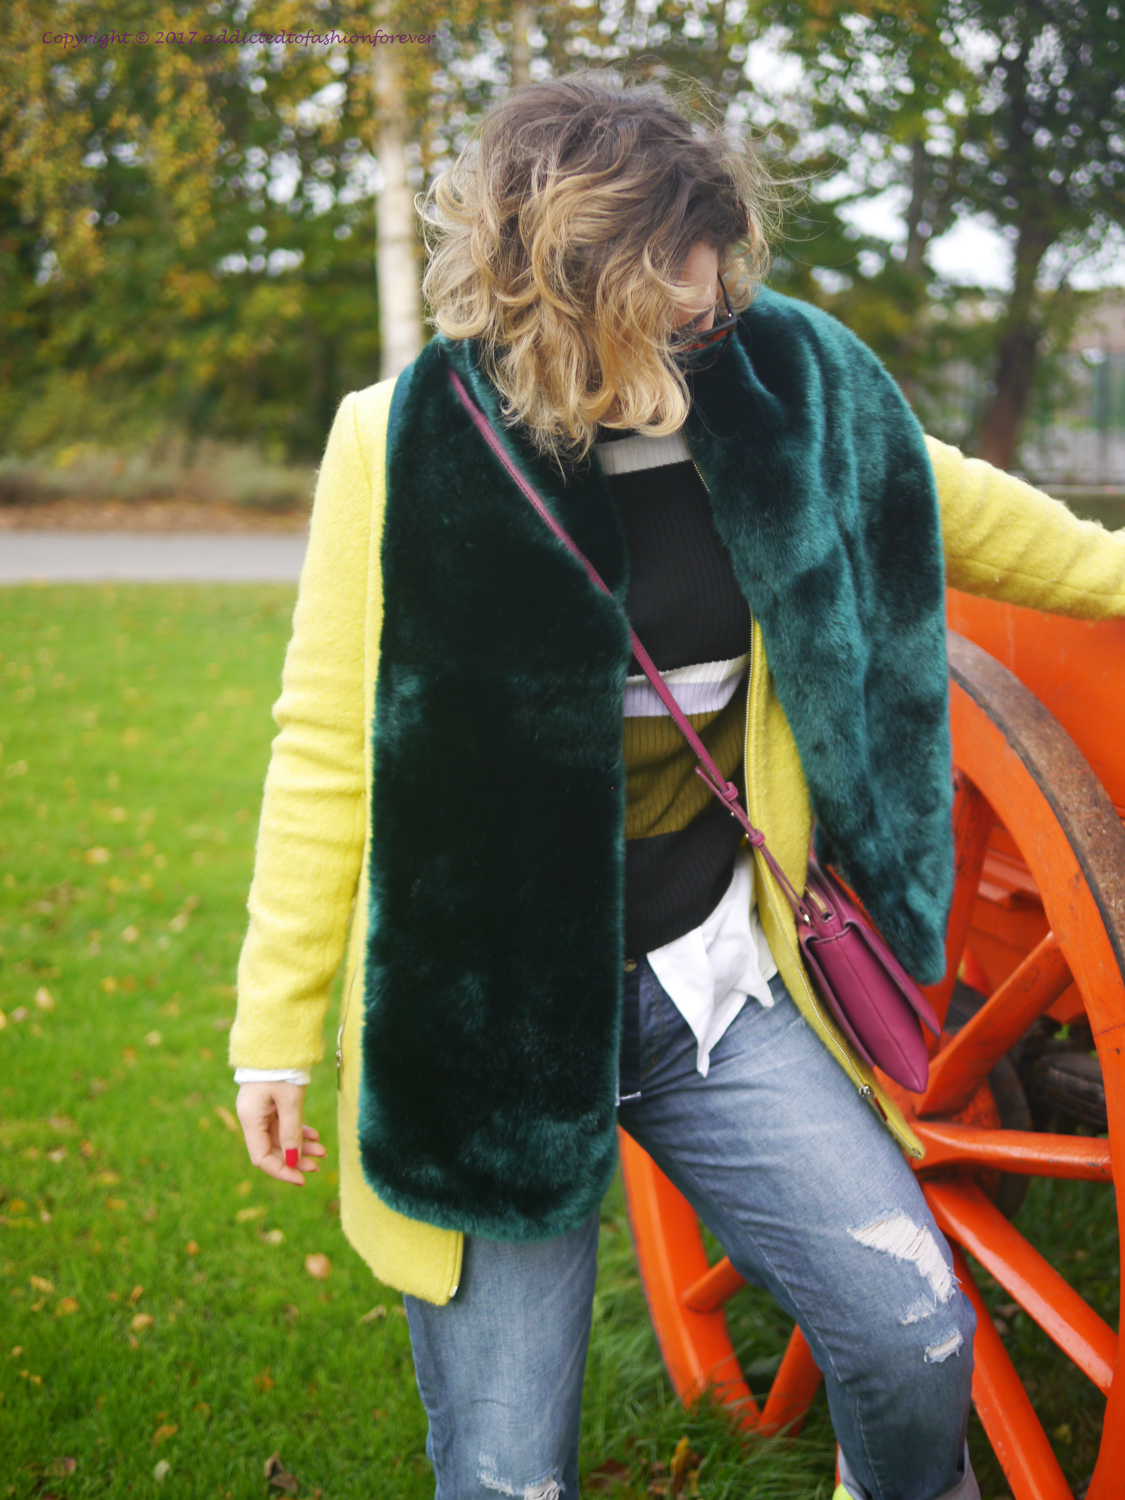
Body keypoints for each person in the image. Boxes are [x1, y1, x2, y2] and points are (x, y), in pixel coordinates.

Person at [230, 71, 1125, 1500]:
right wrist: (273, 1035)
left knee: (913, 1337)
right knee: (510, 1473)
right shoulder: (394, 442)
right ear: (559, 287)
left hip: (711, 991)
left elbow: (966, 511)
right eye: (665, 309)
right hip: (492, 1029)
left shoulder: (782, 390)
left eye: (711, 299)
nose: (703, 333)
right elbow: (326, 744)